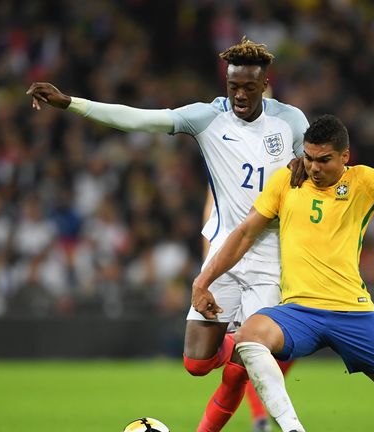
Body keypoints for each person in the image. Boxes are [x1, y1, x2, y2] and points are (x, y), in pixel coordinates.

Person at [27, 38, 308, 432]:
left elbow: (320, 170)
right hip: (225, 251)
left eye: (248, 87)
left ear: (265, 85)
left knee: (254, 352)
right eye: (233, 87)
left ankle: (285, 423)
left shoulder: (291, 121)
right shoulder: (207, 118)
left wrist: (307, 171)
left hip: (271, 256)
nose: (240, 95)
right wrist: (71, 103)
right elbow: (138, 119)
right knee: (197, 362)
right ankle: (246, 348)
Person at [192, 114, 374, 432]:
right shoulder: (287, 181)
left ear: (345, 156)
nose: (314, 168)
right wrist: (203, 280)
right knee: (249, 337)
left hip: (352, 312)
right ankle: (292, 428)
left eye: (324, 160)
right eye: (309, 158)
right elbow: (243, 234)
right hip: (299, 312)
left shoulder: (363, 181)